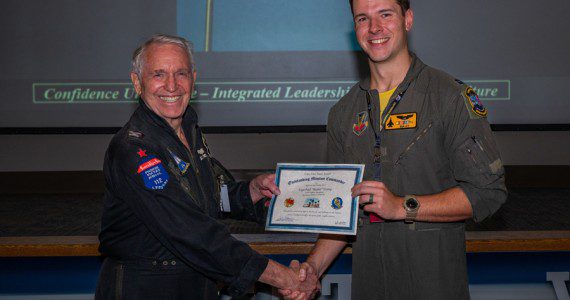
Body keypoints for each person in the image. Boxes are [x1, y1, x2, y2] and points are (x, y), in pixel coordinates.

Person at [282, 0, 507, 299]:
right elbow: (340, 212)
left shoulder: (449, 97)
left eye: (385, 14)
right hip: (370, 286)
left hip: (434, 287)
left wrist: (402, 206)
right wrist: (312, 267)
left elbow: (488, 193)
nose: (374, 28)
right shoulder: (343, 112)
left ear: (407, 20)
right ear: (355, 28)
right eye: (363, 18)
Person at [96, 34, 317, 299]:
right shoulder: (134, 149)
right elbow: (190, 232)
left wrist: (251, 192)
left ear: (194, 78)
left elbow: (207, 197)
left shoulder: (187, 129)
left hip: (194, 285)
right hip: (146, 288)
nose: (172, 85)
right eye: (158, 74)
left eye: (181, 73)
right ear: (137, 82)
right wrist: (283, 277)